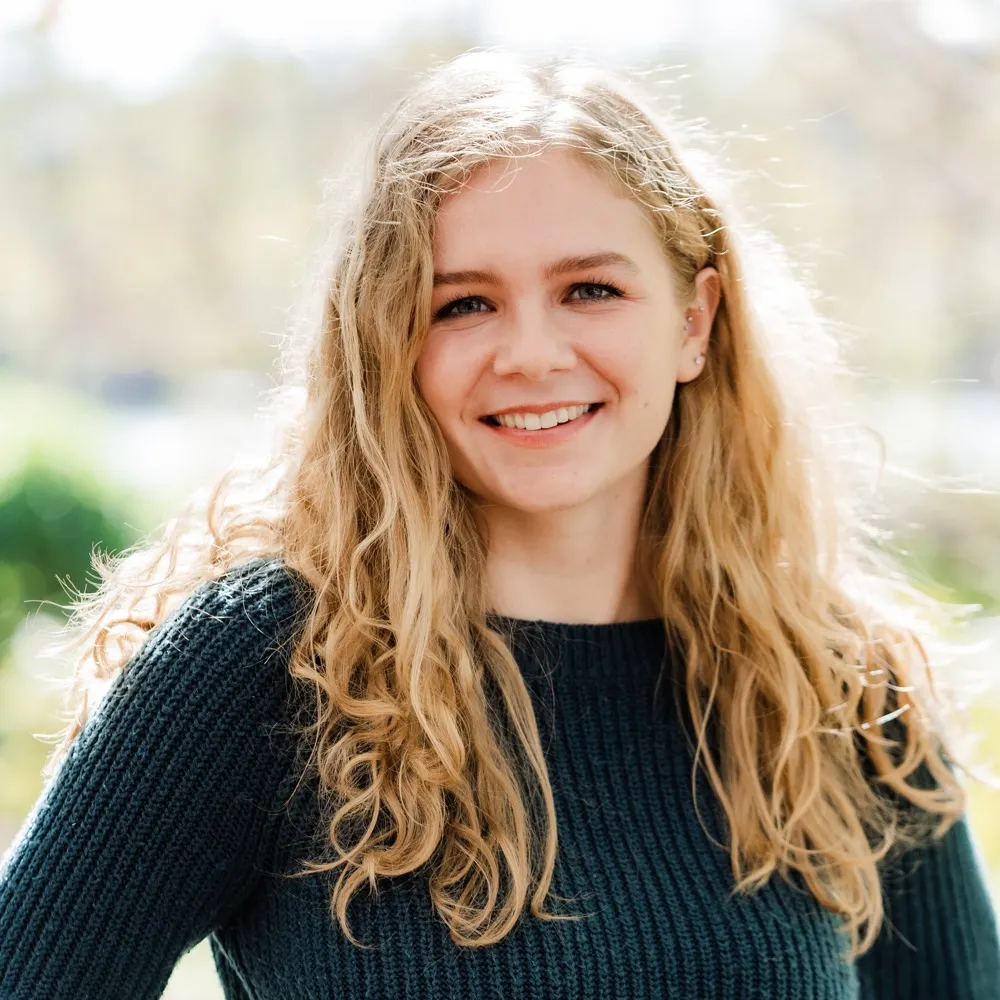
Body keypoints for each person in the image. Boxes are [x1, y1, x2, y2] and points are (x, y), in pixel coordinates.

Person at [1, 49, 998, 1000]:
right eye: (462, 305)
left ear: (694, 321)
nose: (530, 353)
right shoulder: (267, 663)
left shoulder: (839, 691)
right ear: (388, 341)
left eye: (590, 290)